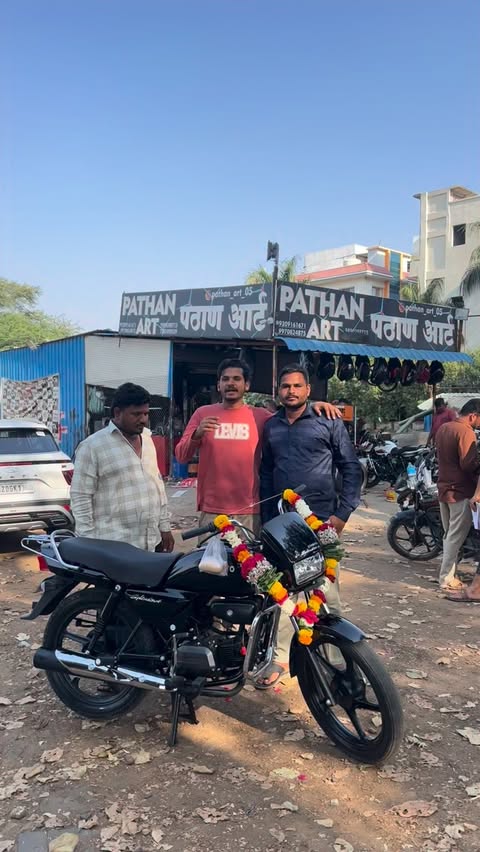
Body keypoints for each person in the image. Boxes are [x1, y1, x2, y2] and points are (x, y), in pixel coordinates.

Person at [259, 364, 363, 679]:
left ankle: (336, 662)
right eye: (285, 386)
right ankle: (280, 659)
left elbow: (351, 468)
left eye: (297, 386)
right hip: (283, 524)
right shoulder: (272, 426)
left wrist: (342, 514)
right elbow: (267, 472)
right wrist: (267, 519)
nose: (291, 391)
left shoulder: (327, 420)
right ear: (278, 391)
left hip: (321, 521)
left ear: (308, 390)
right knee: (283, 591)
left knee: (327, 591)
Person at [175, 358, 341, 537]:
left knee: (249, 556)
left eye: (237, 379)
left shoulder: (262, 417)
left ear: (246, 385)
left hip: (250, 510)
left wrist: (314, 406)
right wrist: (197, 435)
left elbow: (291, 414)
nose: (231, 383)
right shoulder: (203, 414)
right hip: (212, 510)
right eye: (225, 379)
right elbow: (181, 456)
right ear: (218, 385)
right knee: (210, 557)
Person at [71, 382, 174, 553]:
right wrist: (88, 545)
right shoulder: (92, 447)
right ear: (117, 412)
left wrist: (164, 526)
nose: (143, 419)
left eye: (146, 413)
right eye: (136, 414)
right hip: (114, 548)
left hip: (151, 543)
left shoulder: (147, 440)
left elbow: (157, 486)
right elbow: (80, 498)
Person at [435, 398, 480, 591]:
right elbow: (468, 464)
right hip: (461, 491)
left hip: (444, 487)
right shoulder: (466, 431)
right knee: (455, 537)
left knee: (449, 535)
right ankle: (446, 578)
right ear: (473, 416)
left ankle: (450, 573)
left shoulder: (444, 428)